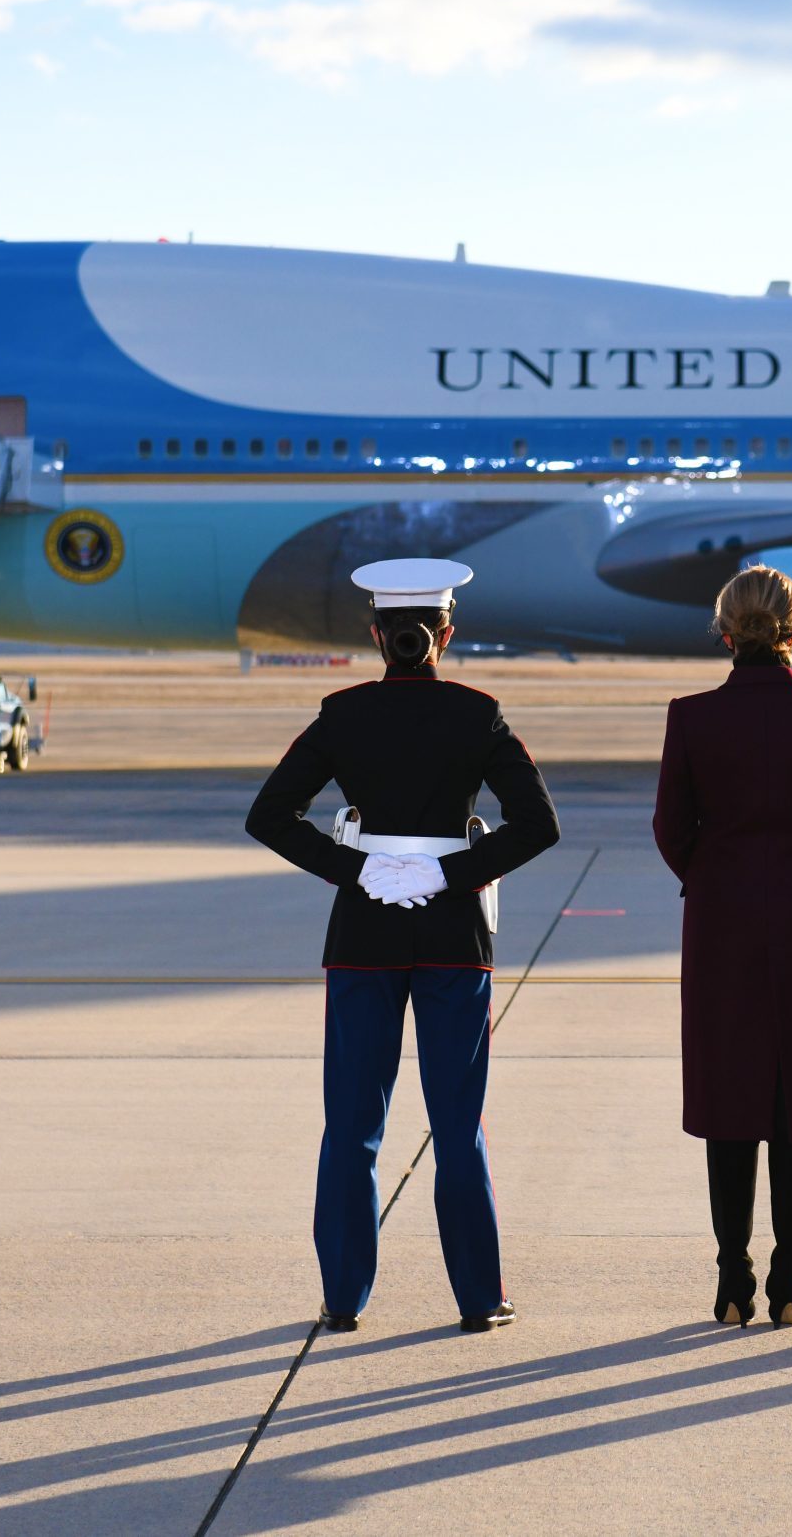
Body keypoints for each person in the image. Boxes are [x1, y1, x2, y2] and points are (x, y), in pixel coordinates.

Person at [245, 558, 560, 1336]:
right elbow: (538, 822)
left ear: (378, 635)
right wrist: (450, 873)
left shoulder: (342, 715)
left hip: (365, 934)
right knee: (458, 1123)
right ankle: (479, 1298)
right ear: (445, 635)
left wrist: (363, 870)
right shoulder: (478, 713)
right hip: (455, 935)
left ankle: (344, 1297)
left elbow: (271, 816)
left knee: (353, 1119)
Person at [653, 565, 792, 1329]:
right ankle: (790, 1274)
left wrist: (715, 876)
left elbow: (670, 828)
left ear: (724, 630)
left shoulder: (691, 717)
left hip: (721, 921)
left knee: (730, 1097)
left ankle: (730, 1274)